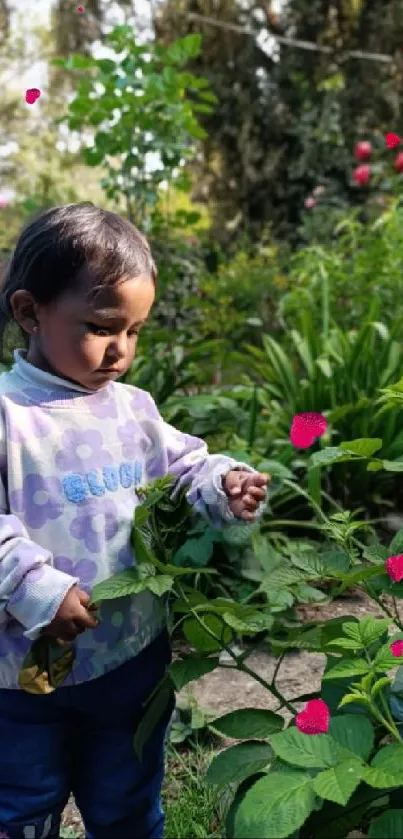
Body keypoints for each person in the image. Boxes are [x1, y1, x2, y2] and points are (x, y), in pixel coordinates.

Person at [0, 202, 269, 839]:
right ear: (30, 312)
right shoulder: (11, 419)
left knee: (128, 797)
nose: (120, 350)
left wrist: (221, 483)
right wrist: (38, 585)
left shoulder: (134, 411)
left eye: (136, 331)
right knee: (23, 802)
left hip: (131, 657)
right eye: (100, 326)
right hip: (20, 677)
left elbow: (184, 465)